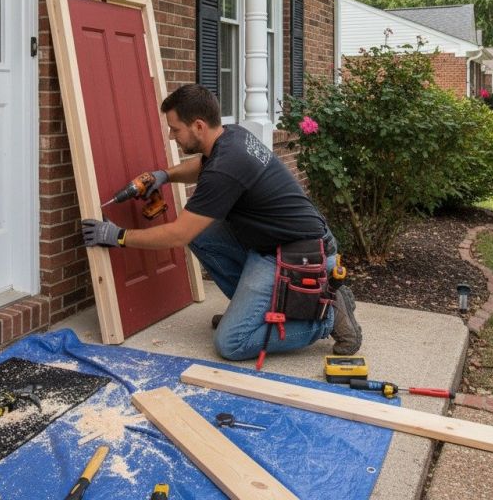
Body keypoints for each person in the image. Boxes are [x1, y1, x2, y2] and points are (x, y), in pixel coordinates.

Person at [81, 83, 362, 361]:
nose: (171, 135)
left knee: (232, 343)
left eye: (175, 128)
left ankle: (326, 316)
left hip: (298, 254)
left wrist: (118, 236)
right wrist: (164, 175)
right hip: (272, 242)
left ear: (199, 126)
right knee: (202, 236)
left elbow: (177, 235)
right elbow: (202, 165)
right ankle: (256, 309)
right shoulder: (232, 136)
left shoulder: (225, 168)